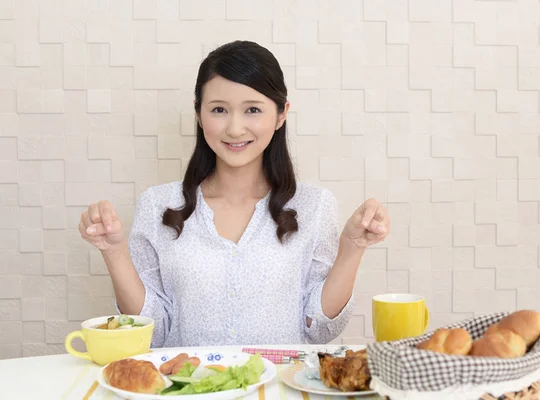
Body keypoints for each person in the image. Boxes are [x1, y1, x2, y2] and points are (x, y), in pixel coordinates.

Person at [78, 40, 390, 348]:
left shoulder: (314, 206)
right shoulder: (158, 205)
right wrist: (113, 251)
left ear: (281, 114)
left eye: (253, 109)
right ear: (199, 115)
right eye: (219, 110)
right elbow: (153, 333)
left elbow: (319, 328)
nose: (235, 128)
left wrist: (351, 247)